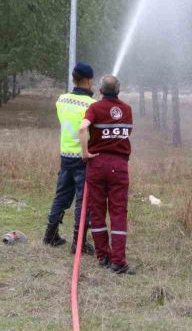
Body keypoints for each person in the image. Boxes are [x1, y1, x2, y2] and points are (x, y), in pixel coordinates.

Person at [79, 75, 135, 274]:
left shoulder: (94, 109)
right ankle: (118, 261)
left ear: (100, 91)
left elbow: (83, 127)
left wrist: (85, 152)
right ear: (118, 91)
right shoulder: (127, 110)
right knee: (118, 212)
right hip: (119, 165)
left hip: (96, 163)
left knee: (97, 210)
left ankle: (103, 256)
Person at [43, 62, 96, 255]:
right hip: (84, 157)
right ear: (89, 80)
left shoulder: (61, 100)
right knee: (84, 201)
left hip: (65, 155)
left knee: (62, 196)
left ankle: (50, 235)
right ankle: (79, 242)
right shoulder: (92, 105)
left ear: (73, 78)